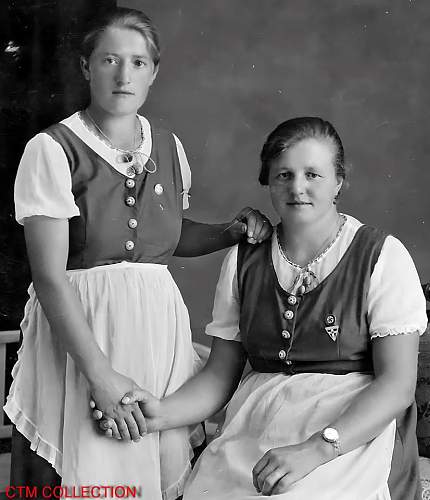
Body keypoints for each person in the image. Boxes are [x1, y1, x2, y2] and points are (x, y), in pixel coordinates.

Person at [3, 7, 272, 500]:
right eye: (109, 60)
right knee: (86, 467)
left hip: (154, 330)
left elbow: (163, 240)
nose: (124, 75)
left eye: (137, 62)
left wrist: (227, 231)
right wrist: (100, 376)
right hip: (84, 336)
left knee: (152, 457)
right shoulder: (52, 149)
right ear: (86, 67)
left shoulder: (167, 146)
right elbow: (48, 277)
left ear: (153, 71)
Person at [100, 116, 428, 500]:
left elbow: (397, 385)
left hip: (349, 432)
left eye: (313, 175)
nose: (298, 188)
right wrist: (157, 413)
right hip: (259, 424)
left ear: (339, 181)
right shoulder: (245, 259)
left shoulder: (381, 256)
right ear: (268, 182)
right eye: (283, 175)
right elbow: (220, 375)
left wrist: (316, 449)